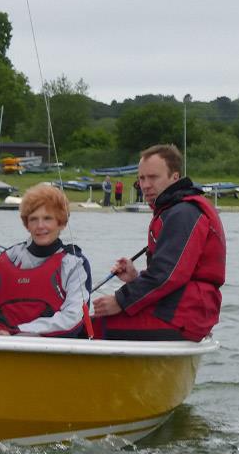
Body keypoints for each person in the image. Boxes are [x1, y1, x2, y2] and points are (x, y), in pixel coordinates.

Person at [93, 144, 226, 341]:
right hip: (181, 311)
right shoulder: (174, 210)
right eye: (141, 178)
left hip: (183, 315)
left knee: (87, 327)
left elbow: (169, 275)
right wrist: (135, 277)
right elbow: (170, 273)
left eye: (153, 177)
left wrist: (120, 301)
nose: (145, 185)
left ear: (175, 177)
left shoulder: (183, 213)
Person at [0, 184, 92, 337]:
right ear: (27, 224)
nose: (40, 226)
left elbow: (72, 318)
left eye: (47, 218)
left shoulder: (74, 264)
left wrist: (18, 332)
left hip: (53, 352)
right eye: (33, 219)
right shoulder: (8, 259)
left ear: (61, 223)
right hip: (2, 350)